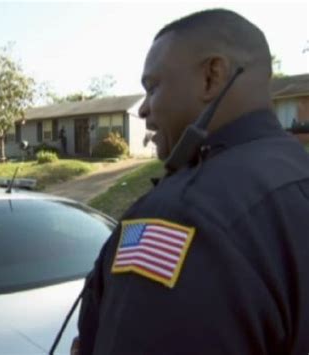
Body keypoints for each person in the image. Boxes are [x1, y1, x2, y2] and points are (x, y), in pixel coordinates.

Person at [75, 9, 309, 355]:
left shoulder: (175, 220)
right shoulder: (297, 169)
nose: (142, 110)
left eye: (153, 87)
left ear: (211, 78)